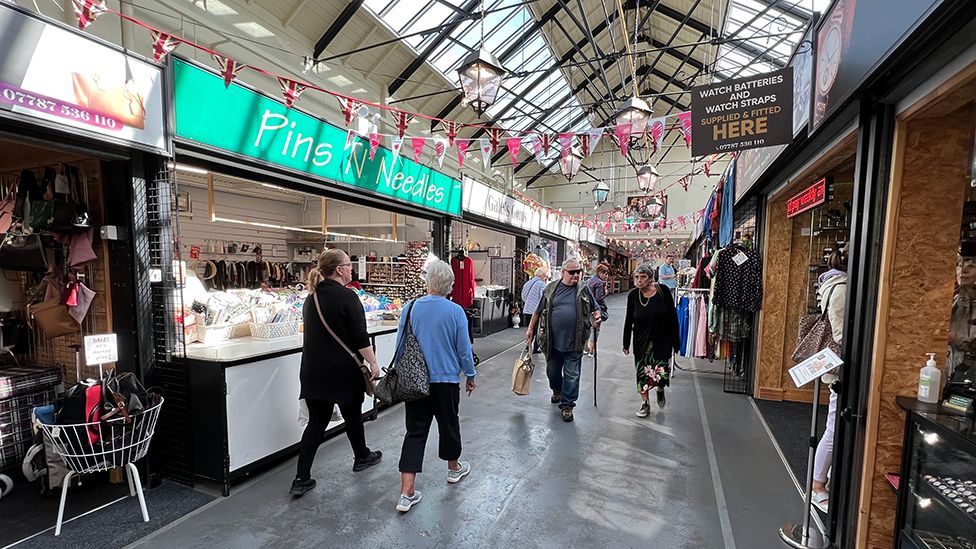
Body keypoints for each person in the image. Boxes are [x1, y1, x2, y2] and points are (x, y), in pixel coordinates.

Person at [290, 249, 382, 497]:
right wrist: (373, 363)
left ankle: (301, 477)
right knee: (353, 413)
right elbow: (360, 338)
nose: (351, 268)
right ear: (339, 269)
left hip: (313, 370)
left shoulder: (312, 298)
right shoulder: (347, 297)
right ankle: (361, 456)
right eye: (348, 264)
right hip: (343, 370)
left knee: (316, 424)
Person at [395, 260, 477, 513]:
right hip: (447, 381)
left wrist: (403, 373)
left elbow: (400, 346)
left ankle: (406, 492)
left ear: (428, 281)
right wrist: (471, 375)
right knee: (449, 424)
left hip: (416, 381)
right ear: (450, 285)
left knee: (415, 432)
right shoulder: (455, 312)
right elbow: (464, 350)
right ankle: (453, 468)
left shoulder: (410, 308)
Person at [525, 258, 601, 422]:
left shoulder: (584, 289)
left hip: (576, 341)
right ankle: (557, 390)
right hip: (552, 341)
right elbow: (538, 311)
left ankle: (567, 405)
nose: (576, 275)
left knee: (572, 375)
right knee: (552, 372)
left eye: (578, 272)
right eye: (572, 272)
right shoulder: (551, 289)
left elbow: (596, 308)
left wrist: (598, 316)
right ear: (563, 273)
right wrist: (531, 329)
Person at [811, 250, 848, 513]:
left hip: (840, 367)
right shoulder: (842, 289)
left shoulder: (834, 285)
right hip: (841, 369)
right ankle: (817, 485)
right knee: (834, 428)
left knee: (836, 426)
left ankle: (824, 481)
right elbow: (840, 334)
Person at [623, 263, 680, 416]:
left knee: (660, 373)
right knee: (642, 373)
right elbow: (629, 320)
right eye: (636, 277)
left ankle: (660, 388)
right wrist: (625, 343)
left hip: (662, 340)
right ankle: (645, 403)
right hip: (642, 342)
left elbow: (673, 317)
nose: (638, 280)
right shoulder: (633, 295)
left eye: (642, 277)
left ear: (650, 279)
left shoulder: (663, 291)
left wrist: (676, 341)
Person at [584, 264, 610, 357]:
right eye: (605, 274)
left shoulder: (589, 280)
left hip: (587, 308)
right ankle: (592, 350)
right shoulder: (600, 283)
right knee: (595, 329)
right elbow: (599, 298)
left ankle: (586, 349)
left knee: (588, 328)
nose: (606, 276)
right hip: (596, 309)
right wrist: (605, 293)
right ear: (599, 273)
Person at [521, 267, 549, 353]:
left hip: (527, 309)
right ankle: (535, 348)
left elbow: (523, 295)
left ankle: (527, 345)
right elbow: (542, 298)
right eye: (545, 277)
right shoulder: (541, 284)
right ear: (542, 276)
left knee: (530, 328)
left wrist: (528, 303)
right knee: (536, 330)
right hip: (536, 311)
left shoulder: (528, 283)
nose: (546, 279)